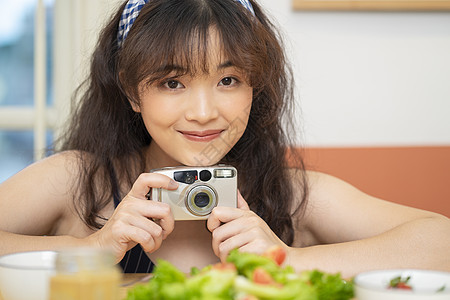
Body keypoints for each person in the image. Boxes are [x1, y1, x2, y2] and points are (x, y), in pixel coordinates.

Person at [0, 0, 449, 277]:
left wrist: (285, 258)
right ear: (131, 91)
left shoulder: (290, 194)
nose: (203, 113)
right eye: (172, 83)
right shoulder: (81, 180)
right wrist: (92, 248)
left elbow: (440, 241)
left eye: (229, 80)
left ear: (257, 85)